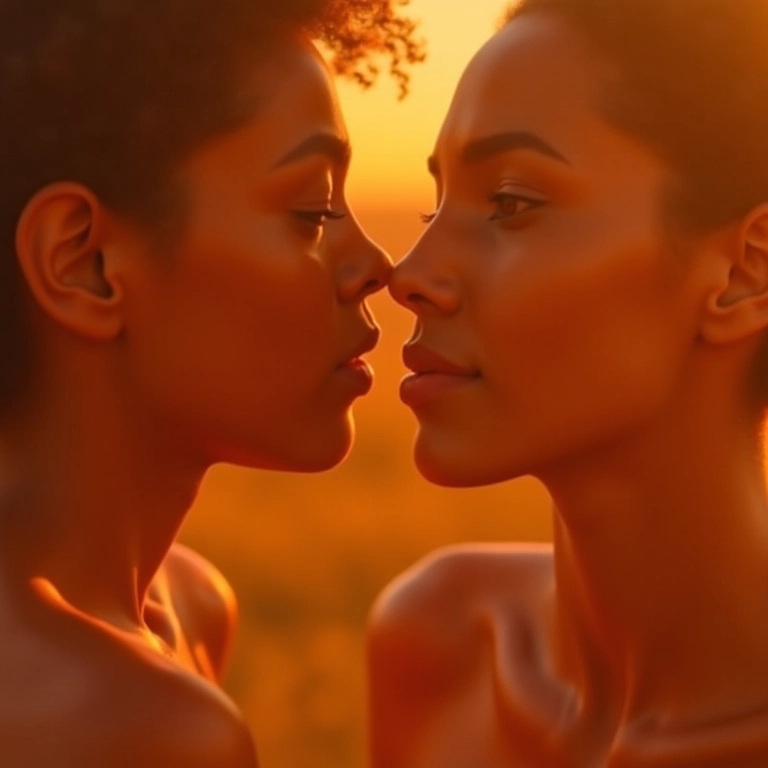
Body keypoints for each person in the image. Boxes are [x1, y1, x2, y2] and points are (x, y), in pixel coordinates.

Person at [0, 1, 422, 766]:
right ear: (84, 264)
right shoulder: (130, 725)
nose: (376, 266)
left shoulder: (188, 606)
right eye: (311, 210)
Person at [369, 1, 768, 765]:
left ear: (745, 274)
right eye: (436, 200)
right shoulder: (442, 644)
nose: (412, 275)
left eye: (512, 203)